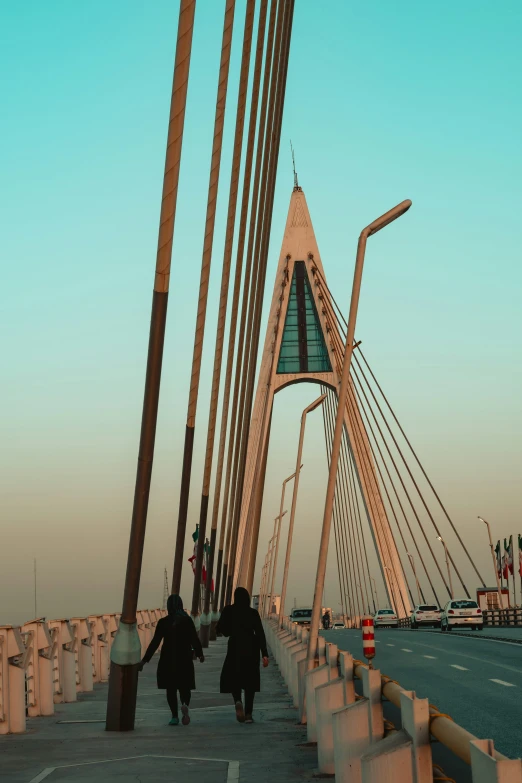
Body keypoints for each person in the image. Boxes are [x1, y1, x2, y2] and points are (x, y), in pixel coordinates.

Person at [139, 594, 204, 726]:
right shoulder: (187, 621)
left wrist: (144, 661)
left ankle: (174, 716)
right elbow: (194, 639)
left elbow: (155, 642)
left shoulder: (163, 622)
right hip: (184, 658)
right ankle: (185, 704)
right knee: (185, 687)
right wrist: (200, 654)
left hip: (168, 659)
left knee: (171, 688)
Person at [216, 586, 269, 724]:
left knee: (235, 678)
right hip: (251, 647)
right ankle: (249, 714)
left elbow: (221, 629)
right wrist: (264, 653)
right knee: (250, 681)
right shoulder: (252, 613)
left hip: (235, 646)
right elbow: (260, 633)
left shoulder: (229, 611)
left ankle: (238, 701)